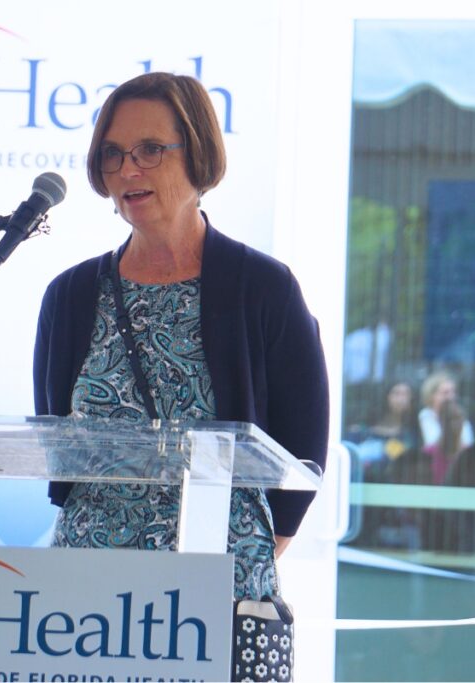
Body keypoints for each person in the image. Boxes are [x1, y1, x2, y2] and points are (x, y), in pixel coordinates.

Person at [32, 72, 329, 602]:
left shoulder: (263, 287)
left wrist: (233, 561)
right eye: (113, 154)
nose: (128, 169)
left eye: (150, 150)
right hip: (84, 596)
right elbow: (57, 442)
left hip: (217, 588)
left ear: (198, 154)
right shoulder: (70, 296)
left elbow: (303, 452)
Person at [417, 370, 473, 451]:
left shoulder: (458, 416)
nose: (451, 397)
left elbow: (468, 445)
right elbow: (432, 445)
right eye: (445, 393)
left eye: (453, 392)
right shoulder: (426, 415)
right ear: (431, 396)